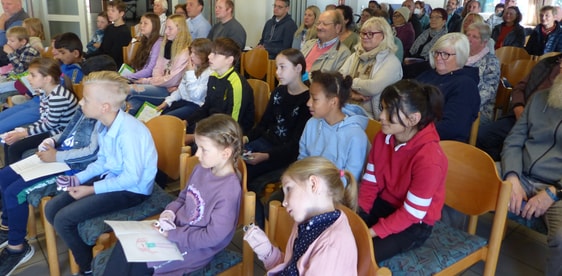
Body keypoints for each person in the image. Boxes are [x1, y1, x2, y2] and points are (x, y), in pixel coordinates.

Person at [44, 71, 157, 276]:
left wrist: (90, 189)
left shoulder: (129, 133)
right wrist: (79, 178)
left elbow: (132, 178)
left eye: (86, 99)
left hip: (133, 190)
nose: (80, 103)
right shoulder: (104, 123)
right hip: (113, 178)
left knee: (63, 219)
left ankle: (86, 268)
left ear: (104, 107)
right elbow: (103, 161)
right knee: (52, 208)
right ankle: (85, 253)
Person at [103, 113, 243, 276]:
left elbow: (212, 237)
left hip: (194, 248)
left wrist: (173, 234)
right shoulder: (201, 168)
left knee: (139, 265)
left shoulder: (229, 191)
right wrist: (170, 212)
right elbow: (184, 197)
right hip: (174, 230)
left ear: (225, 153)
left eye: (203, 149)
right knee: (125, 245)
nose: (197, 155)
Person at [0, 105, 98, 276]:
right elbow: (68, 131)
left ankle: (17, 247)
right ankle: (8, 227)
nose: (81, 101)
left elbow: (92, 153)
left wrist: (57, 156)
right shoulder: (86, 109)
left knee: (14, 192)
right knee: (4, 176)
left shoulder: (103, 120)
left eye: (87, 97)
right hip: (58, 155)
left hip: (71, 167)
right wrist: (52, 141)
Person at [359, 80, 447, 262]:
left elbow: (411, 214)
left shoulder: (430, 159)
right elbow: (370, 182)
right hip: (384, 204)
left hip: (414, 223)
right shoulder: (383, 137)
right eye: (382, 108)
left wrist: (369, 232)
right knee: (338, 235)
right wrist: (359, 215)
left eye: (388, 111)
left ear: (413, 119)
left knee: (362, 254)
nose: (381, 116)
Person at [244, 157, 359, 275]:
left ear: (313, 184)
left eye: (288, 189)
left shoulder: (331, 246)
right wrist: (266, 250)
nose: (284, 202)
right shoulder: (306, 224)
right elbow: (290, 268)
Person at [500, 74, 562, 276]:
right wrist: (512, 177)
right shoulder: (540, 98)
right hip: (520, 173)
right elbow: (513, 141)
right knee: (464, 176)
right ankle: (450, 247)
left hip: (557, 188)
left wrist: (554, 192)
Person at [245, 48, 311, 192]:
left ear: (298, 68)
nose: (277, 72)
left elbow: (295, 145)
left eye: (282, 67)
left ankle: (249, 209)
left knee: (246, 172)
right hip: (265, 143)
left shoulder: (307, 101)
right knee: (232, 159)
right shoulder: (278, 92)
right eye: (276, 67)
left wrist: (265, 156)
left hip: (282, 154)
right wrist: (245, 139)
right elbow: (263, 124)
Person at [477, 53, 562, 161]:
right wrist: (518, 108)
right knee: (483, 135)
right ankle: (495, 167)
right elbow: (519, 88)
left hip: (546, 128)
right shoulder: (546, 63)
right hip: (520, 116)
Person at [416, 33, 480, 143]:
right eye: (437, 52)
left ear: (460, 56)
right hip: (414, 132)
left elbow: (452, 128)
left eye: (445, 54)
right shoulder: (428, 75)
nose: (438, 58)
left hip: (441, 144)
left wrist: (412, 130)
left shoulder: (465, 85)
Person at [185, 37, 254, 135]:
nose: (209, 56)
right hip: (214, 124)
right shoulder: (213, 76)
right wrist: (187, 122)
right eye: (211, 52)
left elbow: (233, 123)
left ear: (229, 60)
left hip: (230, 132)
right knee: (178, 132)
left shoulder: (236, 84)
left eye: (216, 54)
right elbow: (207, 107)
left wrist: (196, 136)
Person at [127, 14, 190, 116]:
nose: (166, 32)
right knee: (134, 100)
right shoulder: (166, 45)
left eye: (170, 28)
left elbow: (172, 80)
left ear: (180, 30)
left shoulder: (184, 52)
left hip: (171, 92)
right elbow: (156, 69)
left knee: (128, 90)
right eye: (166, 28)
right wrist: (156, 80)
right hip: (160, 85)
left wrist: (148, 81)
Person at [339, 17, 402, 119]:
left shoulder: (391, 62)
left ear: (383, 36)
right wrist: (351, 94)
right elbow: (338, 79)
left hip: (373, 117)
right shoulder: (356, 55)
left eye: (370, 34)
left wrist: (349, 82)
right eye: (363, 33)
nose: (365, 37)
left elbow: (372, 88)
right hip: (346, 108)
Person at [156, 38, 212, 119]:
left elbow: (195, 96)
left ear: (204, 55)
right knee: (160, 114)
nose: (191, 56)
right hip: (183, 101)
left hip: (195, 105)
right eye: (191, 52)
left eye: (195, 53)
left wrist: (190, 73)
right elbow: (181, 90)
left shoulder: (209, 73)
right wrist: (168, 102)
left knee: (166, 118)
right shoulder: (193, 67)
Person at [465, 22, 500, 124]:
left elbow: (489, 91)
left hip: (479, 110)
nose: (469, 39)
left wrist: (462, 102)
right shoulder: (458, 55)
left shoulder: (491, 61)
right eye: (468, 35)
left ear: (484, 42)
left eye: (474, 37)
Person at [301, 10, 351, 76]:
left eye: (325, 24)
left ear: (337, 28)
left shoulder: (343, 54)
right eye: (318, 23)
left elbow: (334, 83)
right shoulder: (309, 44)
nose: (319, 27)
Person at [88, 0, 131, 67]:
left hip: (112, 64)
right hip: (105, 59)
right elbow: (102, 49)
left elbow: (114, 56)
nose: (109, 13)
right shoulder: (109, 28)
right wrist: (87, 56)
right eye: (108, 10)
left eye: (113, 11)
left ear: (121, 13)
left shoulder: (124, 32)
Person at [125, 13, 162, 79]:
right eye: (141, 23)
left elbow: (150, 71)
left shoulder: (158, 43)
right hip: (140, 77)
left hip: (150, 80)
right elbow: (136, 65)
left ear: (154, 25)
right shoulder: (144, 41)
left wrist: (128, 77)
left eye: (145, 23)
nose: (141, 26)